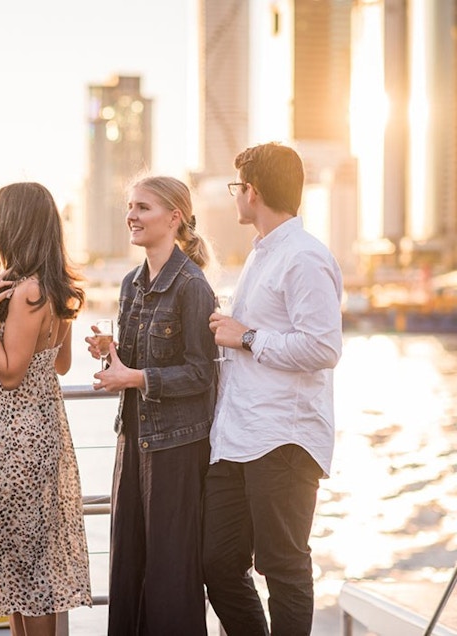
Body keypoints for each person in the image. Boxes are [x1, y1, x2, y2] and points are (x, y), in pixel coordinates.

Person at [204, 142, 343, 635]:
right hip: (239, 438)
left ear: (253, 192)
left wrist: (246, 336)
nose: (235, 196)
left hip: (284, 437)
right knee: (217, 562)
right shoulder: (263, 254)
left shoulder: (304, 257)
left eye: (236, 186)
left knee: (283, 568)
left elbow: (323, 347)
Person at [0, 182, 92, 636]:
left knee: (25, 574)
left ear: (14, 226)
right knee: (23, 568)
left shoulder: (28, 293)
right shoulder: (55, 289)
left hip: (16, 439)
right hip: (42, 430)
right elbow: (61, 364)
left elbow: (9, 371)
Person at [85, 175, 217, 634]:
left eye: (143, 207)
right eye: (130, 206)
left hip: (178, 447)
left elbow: (203, 374)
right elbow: (142, 359)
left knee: (171, 575)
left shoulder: (193, 286)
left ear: (174, 217)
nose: (132, 216)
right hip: (134, 438)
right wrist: (111, 350)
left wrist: (135, 376)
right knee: (129, 566)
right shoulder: (130, 284)